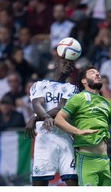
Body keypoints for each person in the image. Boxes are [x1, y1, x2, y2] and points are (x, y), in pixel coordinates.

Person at [25, 58, 79, 186]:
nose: (68, 66)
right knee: (39, 185)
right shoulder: (39, 84)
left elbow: (61, 108)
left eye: (71, 65)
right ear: (56, 65)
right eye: (65, 63)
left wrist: (35, 118)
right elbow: (37, 104)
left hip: (65, 138)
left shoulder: (72, 88)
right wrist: (46, 117)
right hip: (44, 140)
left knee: (73, 182)